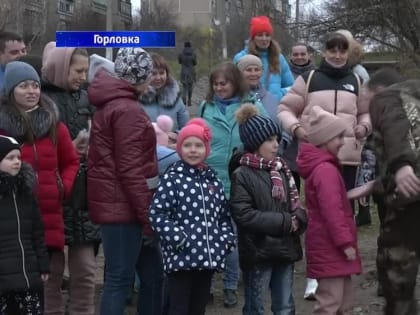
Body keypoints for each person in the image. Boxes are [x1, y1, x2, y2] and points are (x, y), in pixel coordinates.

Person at [278, 32, 370, 299]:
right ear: (325, 51)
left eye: (343, 50)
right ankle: (315, 277)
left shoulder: (356, 79)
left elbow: (365, 112)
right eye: (333, 50)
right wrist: (295, 128)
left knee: (344, 215)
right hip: (317, 159)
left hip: (348, 157)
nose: (338, 55)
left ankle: (342, 267)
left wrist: (364, 126)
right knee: (319, 217)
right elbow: (285, 109)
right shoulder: (309, 79)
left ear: (348, 52)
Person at [0, 61, 79, 311]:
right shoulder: (2, 127)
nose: (32, 91)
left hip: (49, 215)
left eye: (35, 85)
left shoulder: (55, 126)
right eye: (24, 86)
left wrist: (62, 187)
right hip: (11, 220)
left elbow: (71, 161)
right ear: (11, 90)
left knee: (49, 280)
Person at [87, 47, 161, 315]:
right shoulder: (127, 110)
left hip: (122, 205)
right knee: (120, 279)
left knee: (153, 277)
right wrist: (147, 216)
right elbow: (131, 169)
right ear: (142, 76)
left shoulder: (113, 104)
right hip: (125, 209)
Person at [149, 118, 236, 315]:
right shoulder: (173, 178)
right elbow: (157, 213)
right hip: (181, 258)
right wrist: (177, 237)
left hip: (207, 258)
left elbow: (223, 215)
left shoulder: (212, 180)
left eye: (198, 145)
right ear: (179, 149)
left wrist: (225, 240)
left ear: (206, 149)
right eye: (187, 145)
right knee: (178, 306)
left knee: (198, 306)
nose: (193, 150)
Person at [349, 76, 420, 314]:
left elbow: (394, 125)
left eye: (364, 98)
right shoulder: (413, 101)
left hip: (409, 205)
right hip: (409, 194)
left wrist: (401, 165)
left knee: (395, 270)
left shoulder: (385, 97)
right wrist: (377, 185)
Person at [199, 61, 267, 308]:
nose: (219, 88)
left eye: (224, 83)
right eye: (215, 84)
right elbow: (196, 137)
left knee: (233, 237)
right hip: (209, 179)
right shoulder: (205, 107)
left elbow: (267, 135)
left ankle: (230, 285)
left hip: (240, 179)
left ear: (234, 83)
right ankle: (204, 286)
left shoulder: (251, 107)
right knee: (206, 235)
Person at [229, 104, 307, 315]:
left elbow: (295, 204)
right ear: (254, 143)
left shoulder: (282, 170)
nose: (276, 145)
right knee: (257, 307)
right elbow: (244, 215)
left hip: (285, 249)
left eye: (277, 140)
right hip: (258, 252)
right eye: (269, 140)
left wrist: (299, 218)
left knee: (285, 306)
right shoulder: (242, 174)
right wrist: (285, 222)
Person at [42, 42, 100, 315]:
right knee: (50, 273)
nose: (83, 77)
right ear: (61, 68)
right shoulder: (40, 99)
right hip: (50, 195)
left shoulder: (87, 98)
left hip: (82, 195)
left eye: (86, 71)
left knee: (86, 272)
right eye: (78, 70)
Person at [297, 106, 362, 314]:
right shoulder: (325, 170)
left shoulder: (326, 167)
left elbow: (334, 202)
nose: (343, 141)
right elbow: (332, 212)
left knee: (344, 302)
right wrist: (345, 243)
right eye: (339, 137)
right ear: (324, 139)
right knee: (331, 303)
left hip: (330, 246)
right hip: (331, 246)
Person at [0, 135, 50, 314]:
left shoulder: (26, 193)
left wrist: (43, 263)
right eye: (10, 158)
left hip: (28, 275)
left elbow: (37, 232)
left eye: (19, 158)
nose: (16, 162)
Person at [236, 54, 291, 153]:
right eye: (248, 70)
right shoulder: (234, 98)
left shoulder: (269, 97)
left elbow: (281, 124)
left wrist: (282, 144)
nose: (253, 74)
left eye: (257, 70)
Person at [233, 15, 294, 102]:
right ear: (253, 37)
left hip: (275, 109)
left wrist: (278, 94)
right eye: (260, 35)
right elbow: (234, 87)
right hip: (250, 109)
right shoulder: (240, 57)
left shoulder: (279, 58)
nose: (264, 39)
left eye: (267, 35)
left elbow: (291, 86)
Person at [140, 52, 190, 133]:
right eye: (153, 73)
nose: (158, 77)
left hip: (171, 145)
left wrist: (177, 136)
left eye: (161, 73)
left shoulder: (176, 99)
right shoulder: (135, 99)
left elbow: (187, 129)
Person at [178, 41, 197, 107]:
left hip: (183, 72)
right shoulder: (193, 54)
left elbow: (179, 62)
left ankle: (184, 99)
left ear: (184, 46)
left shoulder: (181, 54)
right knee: (190, 87)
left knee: (184, 87)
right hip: (191, 72)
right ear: (190, 46)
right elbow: (195, 63)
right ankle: (189, 100)